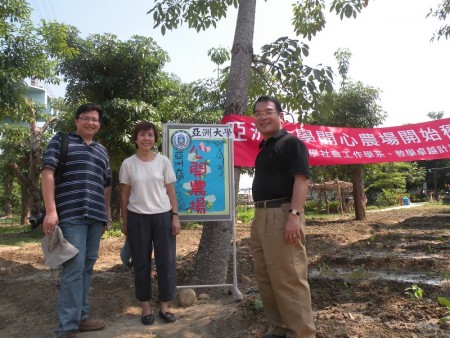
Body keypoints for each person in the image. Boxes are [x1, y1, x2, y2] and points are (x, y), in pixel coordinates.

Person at [41, 103, 112, 338]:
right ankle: (66, 327)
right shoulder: (62, 141)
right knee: (73, 269)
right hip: (71, 215)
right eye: (86, 118)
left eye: (95, 119)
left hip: (95, 217)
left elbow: (106, 185)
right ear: (76, 121)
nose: (91, 122)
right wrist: (51, 212)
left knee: (87, 268)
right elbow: (47, 173)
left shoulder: (102, 151)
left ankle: (81, 317)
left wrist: (106, 216)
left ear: (99, 124)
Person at [251, 96, 316, 338]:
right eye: (258, 113)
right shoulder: (264, 149)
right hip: (260, 216)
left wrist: (294, 215)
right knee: (266, 276)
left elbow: (302, 180)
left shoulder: (292, 144)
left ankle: (302, 333)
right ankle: (280, 327)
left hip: (282, 214)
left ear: (281, 116)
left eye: (268, 112)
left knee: (289, 277)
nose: (262, 117)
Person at [119, 121, 180, 326]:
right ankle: (146, 307)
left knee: (166, 262)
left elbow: (171, 191)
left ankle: (165, 306)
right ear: (135, 139)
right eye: (142, 134)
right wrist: (125, 221)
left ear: (155, 139)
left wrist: (175, 215)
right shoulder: (128, 163)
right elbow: (125, 195)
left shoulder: (163, 162)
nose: (147, 138)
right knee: (141, 264)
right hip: (137, 217)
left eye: (151, 135)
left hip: (163, 217)